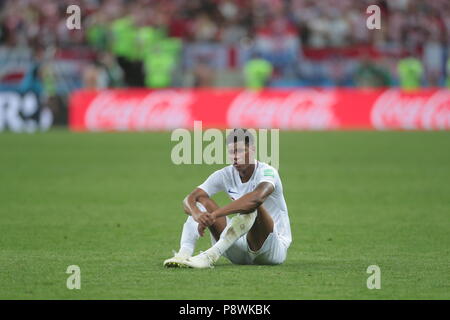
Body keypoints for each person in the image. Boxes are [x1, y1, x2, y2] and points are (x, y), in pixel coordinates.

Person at [163, 129, 291, 269]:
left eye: (240, 151)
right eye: (232, 152)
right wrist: (197, 214)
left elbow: (256, 198)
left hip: (270, 249)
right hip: (237, 245)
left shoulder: (267, 172)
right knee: (201, 200)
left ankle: (209, 256)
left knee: (252, 206)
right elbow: (190, 199)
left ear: (253, 150)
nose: (236, 156)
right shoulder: (224, 174)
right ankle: (183, 254)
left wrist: (215, 215)